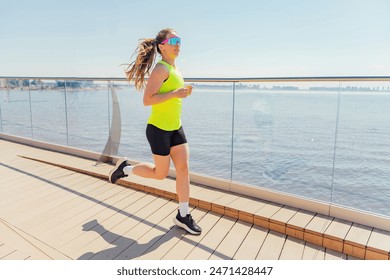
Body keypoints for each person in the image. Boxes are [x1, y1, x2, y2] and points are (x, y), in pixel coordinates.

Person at [109, 28, 202, 235]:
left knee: (183, 170)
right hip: (158, 130)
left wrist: (181, 92)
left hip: (176, 127)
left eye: (180, 40)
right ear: (162, 46)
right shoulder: (161, 69)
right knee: (160, 175)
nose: (178, 44)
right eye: (174, 41)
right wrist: (175, 93)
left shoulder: (175, 68)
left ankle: (183, 215)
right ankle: (126, 170)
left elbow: (170, 95)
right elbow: (147, 100)